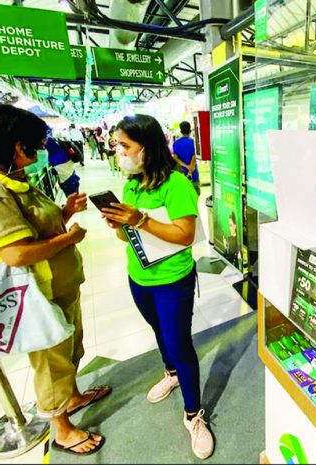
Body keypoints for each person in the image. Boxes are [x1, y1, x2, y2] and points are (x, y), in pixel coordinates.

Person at [0, 104, 109, 455]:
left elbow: (35, 223)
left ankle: (72, 397)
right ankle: (61, 428)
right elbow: (16, 252)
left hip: (59, 289)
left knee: (69, 350)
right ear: (16, 146)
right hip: (37, 297)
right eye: (35, 146)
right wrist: (68, 239)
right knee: (50, 362)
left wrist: (65, 212)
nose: (40, 152)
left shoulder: (15, 181)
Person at [100, 114, 214, 460]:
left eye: (125, 145)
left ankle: (194, 414)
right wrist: (118, 224)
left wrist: (140, 219)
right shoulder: (132, 184)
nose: (118, 151)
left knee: (179, 342)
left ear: (146, 148)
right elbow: (125, 236)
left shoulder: (176, 184)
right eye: (117, 144)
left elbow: (185, 234)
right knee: (159, 332)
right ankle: (172, 374)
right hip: (139, 277)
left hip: (171, 280)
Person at [172, 121, 200, 195]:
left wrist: (186, 166)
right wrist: (190, 170)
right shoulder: (193, 142)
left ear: (181, 131)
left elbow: (175, 158)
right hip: (193, 174)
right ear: (190, 130)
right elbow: (194, 157)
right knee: (195, 194)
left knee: (184, 195)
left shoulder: (176, 143)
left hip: (181, 175)